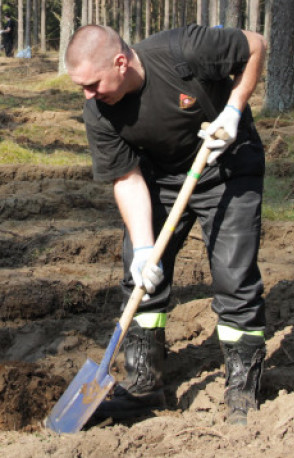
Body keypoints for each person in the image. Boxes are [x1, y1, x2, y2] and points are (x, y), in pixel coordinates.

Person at [64, 23, 267, 425]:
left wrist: (233, 107)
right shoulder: (98, 112)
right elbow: (126, 178)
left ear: (120, 63)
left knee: (233, 277)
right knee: (140, 280)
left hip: (228, 167)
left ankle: (242, 387)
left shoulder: (185, 51)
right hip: (161, 179)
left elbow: (257, 45)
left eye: (92, 84)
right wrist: (143, 249)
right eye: (81, 87)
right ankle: (145, 383)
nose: (87, 95)